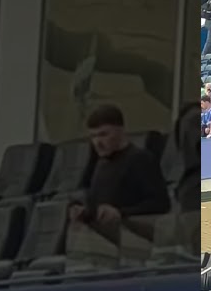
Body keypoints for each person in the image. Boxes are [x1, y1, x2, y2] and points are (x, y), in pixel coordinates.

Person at [70, 105, 170, 246]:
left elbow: (160, 203)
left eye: (103, 134)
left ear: (120, 131)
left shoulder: (140, 159)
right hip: (100, 241)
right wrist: (79, 207)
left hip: (132, 241)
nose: (97, 142)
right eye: (93, 136)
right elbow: (84, 192)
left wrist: (121, 213)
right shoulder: (98, 162)